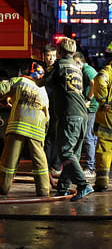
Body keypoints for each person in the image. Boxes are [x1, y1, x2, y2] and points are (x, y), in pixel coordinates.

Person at [0, 62, 50, 196]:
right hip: (37, 129)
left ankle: (2, 186)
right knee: (40, 160)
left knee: (9, 160)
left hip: (18, 126)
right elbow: (47, 115)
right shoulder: (43, 89)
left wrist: (3, 99)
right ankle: (44, 190)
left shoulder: (20, 80)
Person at [47, 37, 93, 201]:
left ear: (59, 51)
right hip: (82, 116)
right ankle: (63, 188)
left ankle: (83, 185)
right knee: (72, 154)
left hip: (69, 116)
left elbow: (43, 82)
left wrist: (30, 79)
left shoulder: (59, 65)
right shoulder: (76, 66)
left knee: (65, 152)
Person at [73, 51, 98, 178]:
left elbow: (94, 83)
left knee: (88, 137)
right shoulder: (86, 70)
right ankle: (91, 165)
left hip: (91, 108)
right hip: (91, 108)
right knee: (91, 138)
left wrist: (88, 99)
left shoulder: (87, 70)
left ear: (79, 62)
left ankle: (90, 167)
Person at [92, 46, 112, 192]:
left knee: (104, 147)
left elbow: (99, 81)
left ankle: (102, 181)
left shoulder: (108, 71)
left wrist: (104, 101)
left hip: (108, 115)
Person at [41, 44, 60, 179]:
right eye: (48, 56)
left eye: (53, 55)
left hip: (56, 108)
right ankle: (46, 166)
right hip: (44, 108)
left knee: (55, 137)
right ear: (44, 56)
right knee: (46, 137)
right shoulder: (41, 70)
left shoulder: (58, 69)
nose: (51, 58)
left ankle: (55, 166)